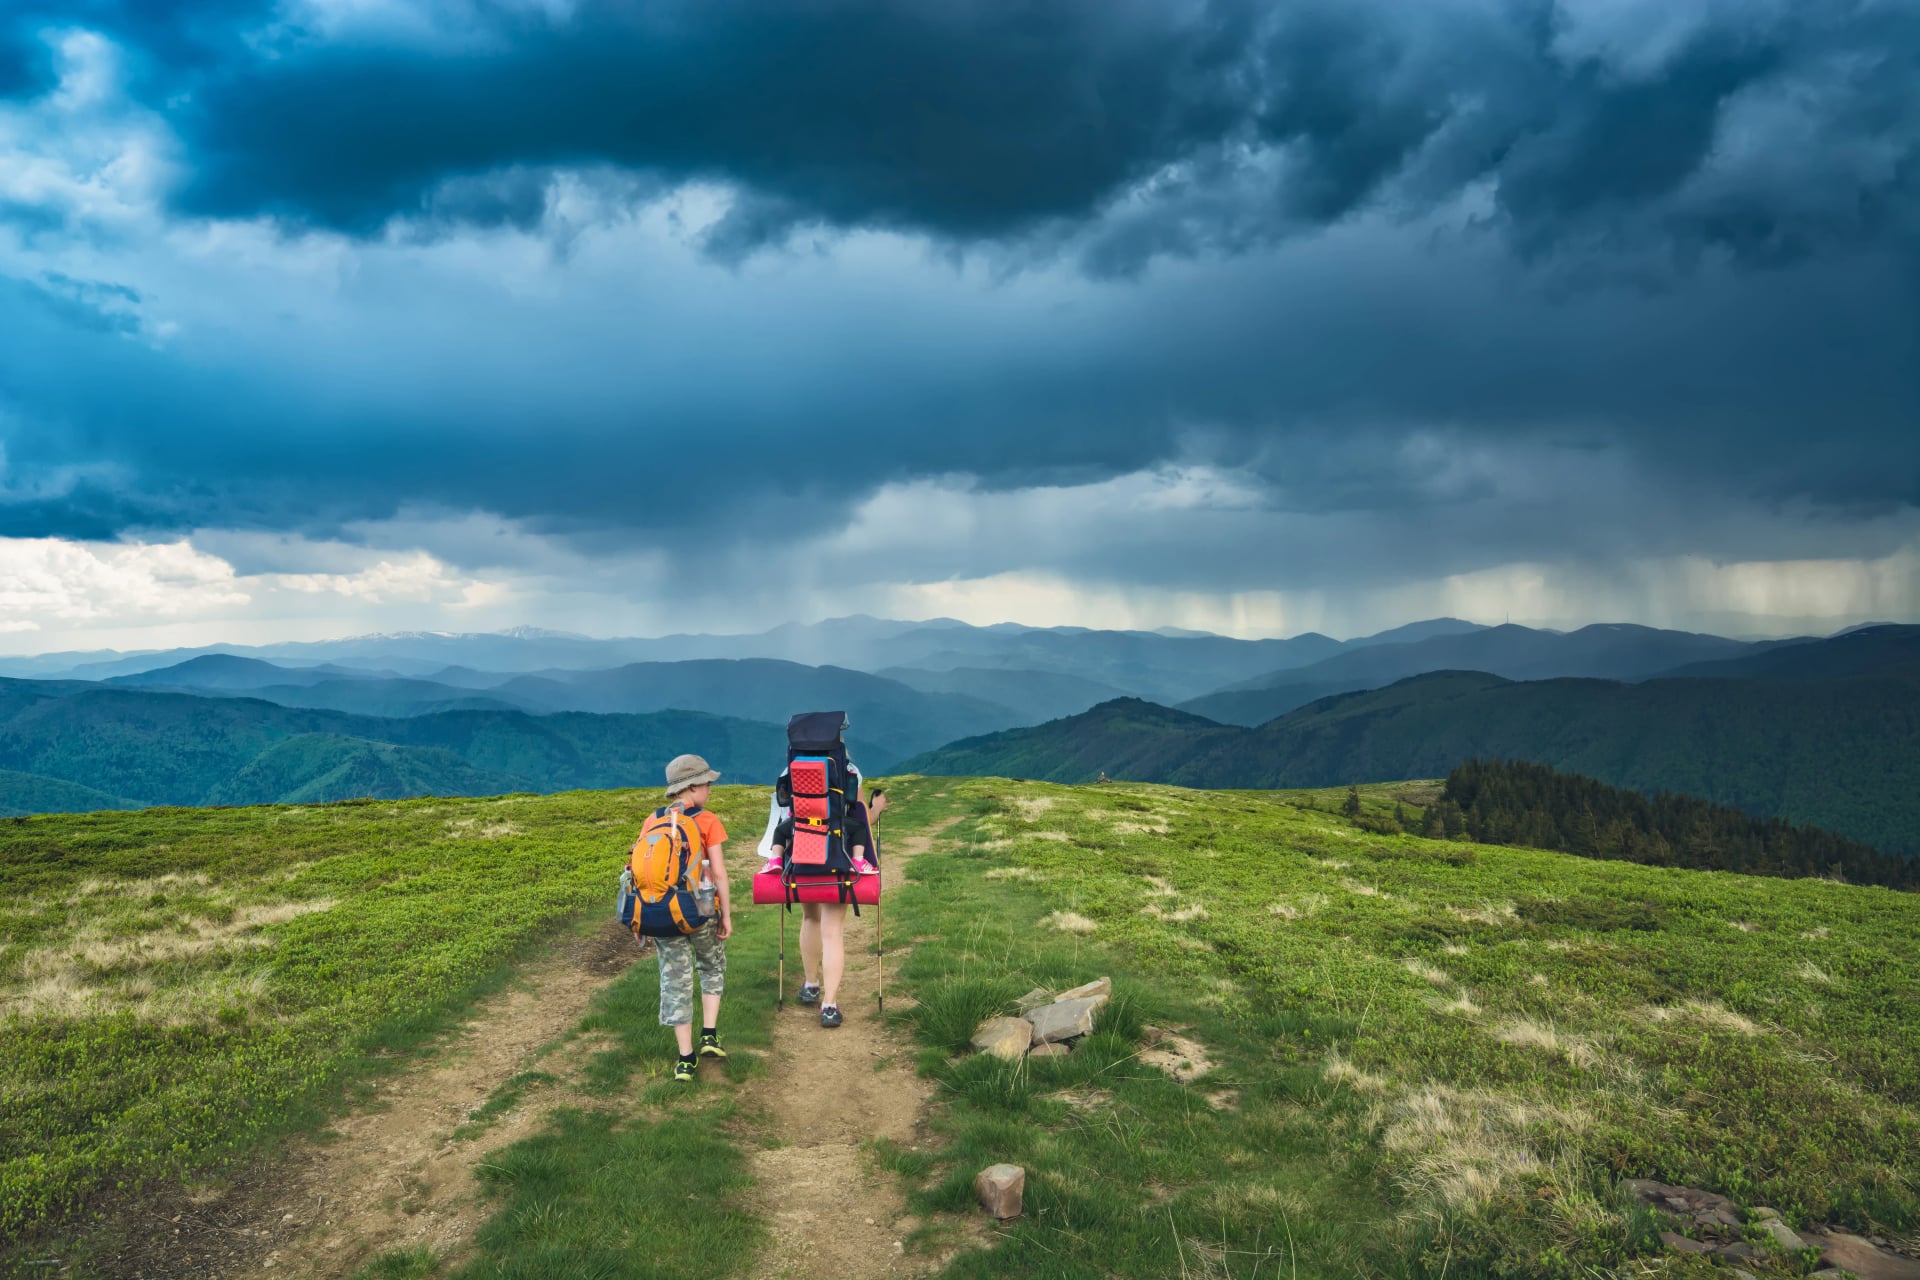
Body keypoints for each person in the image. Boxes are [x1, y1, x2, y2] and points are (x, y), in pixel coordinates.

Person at [763, 784, 887, 1028]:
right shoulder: (847, 770)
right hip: (837, 861)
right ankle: (829, 1006)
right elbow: (863, 818)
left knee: (811, 918)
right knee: (832, 932)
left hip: (803, 860)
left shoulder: (791, 767)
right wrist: (878, 807)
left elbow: (782, 809)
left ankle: (811, 985)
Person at [655, 753, 733, 1082]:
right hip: (701, 909)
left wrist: (640, 921)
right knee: (711, 965)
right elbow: (719, 873)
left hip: (663, 913)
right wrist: (725, 914)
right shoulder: (708, 820)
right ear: (694, 786)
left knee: (676, 980)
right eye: (708, 783)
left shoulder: (654, 820)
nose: (710, 789)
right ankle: (709, 1036)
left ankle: (685, 1059)